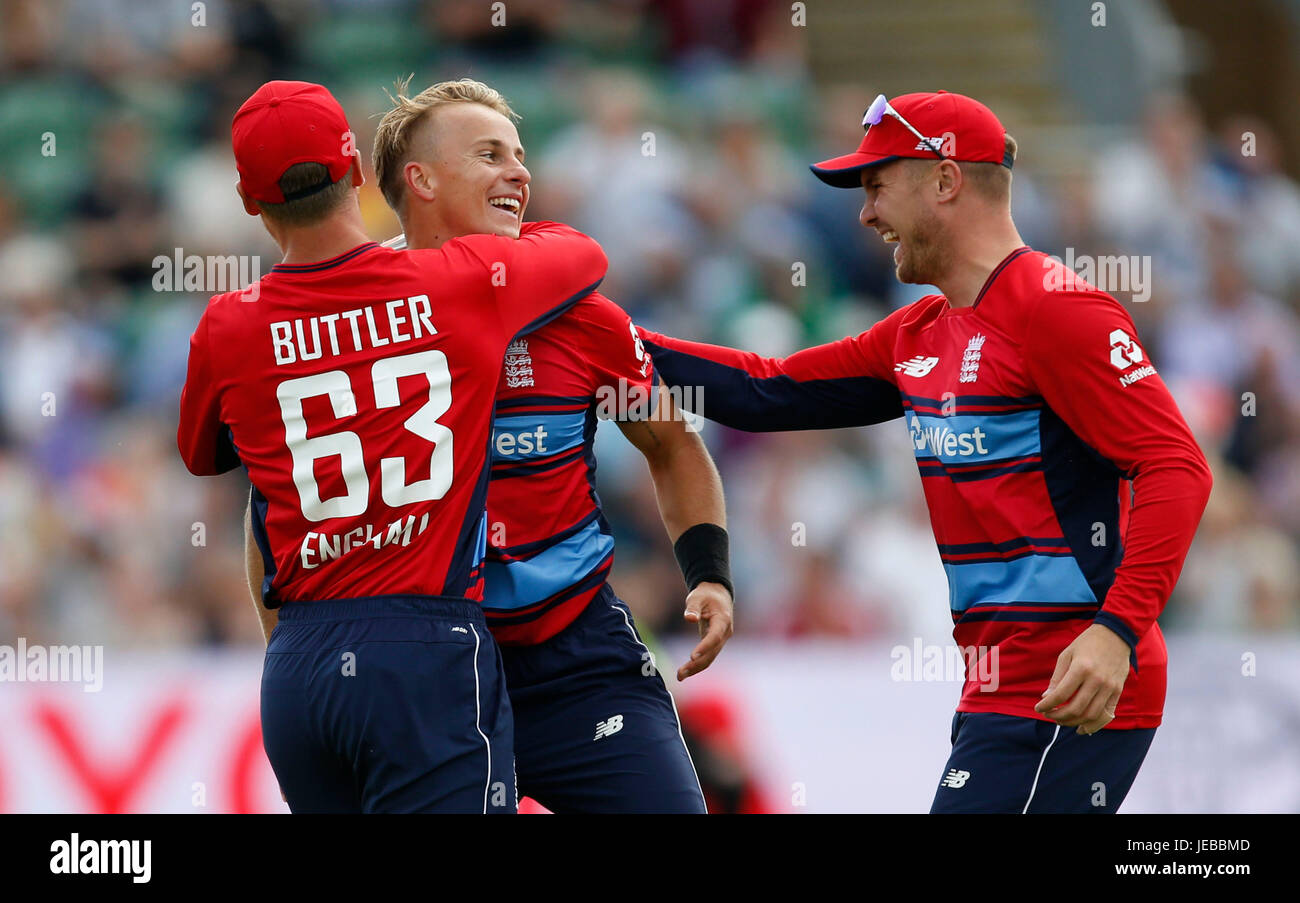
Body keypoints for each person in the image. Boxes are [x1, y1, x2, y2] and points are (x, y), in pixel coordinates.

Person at [639, 91, 1213, 813]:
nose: (865, 213)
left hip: (1073, 682)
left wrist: (1116, 632)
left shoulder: (1057, 310)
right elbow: (768, 390)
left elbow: (1177, 467)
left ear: (945, 180)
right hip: (1001, 686)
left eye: (877, 185)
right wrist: (599, 339)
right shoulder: (917, 331)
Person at [244, 78, 733, 813]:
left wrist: (709, 572)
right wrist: (303, 649)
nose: (520, 171)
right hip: (427, 678)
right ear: (421, 179)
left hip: (577, 660)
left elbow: (669, 442)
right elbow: (275, 512)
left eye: (520, 154)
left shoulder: (581, 315)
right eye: (489, 153)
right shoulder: (356, 320)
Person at [177, 80, 608, 813]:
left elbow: (203, 452)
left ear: (252, 203)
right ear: (356, 173)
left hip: (300, 668)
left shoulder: (227, 325)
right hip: (423, 650)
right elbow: (582, 253)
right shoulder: (460, 284)